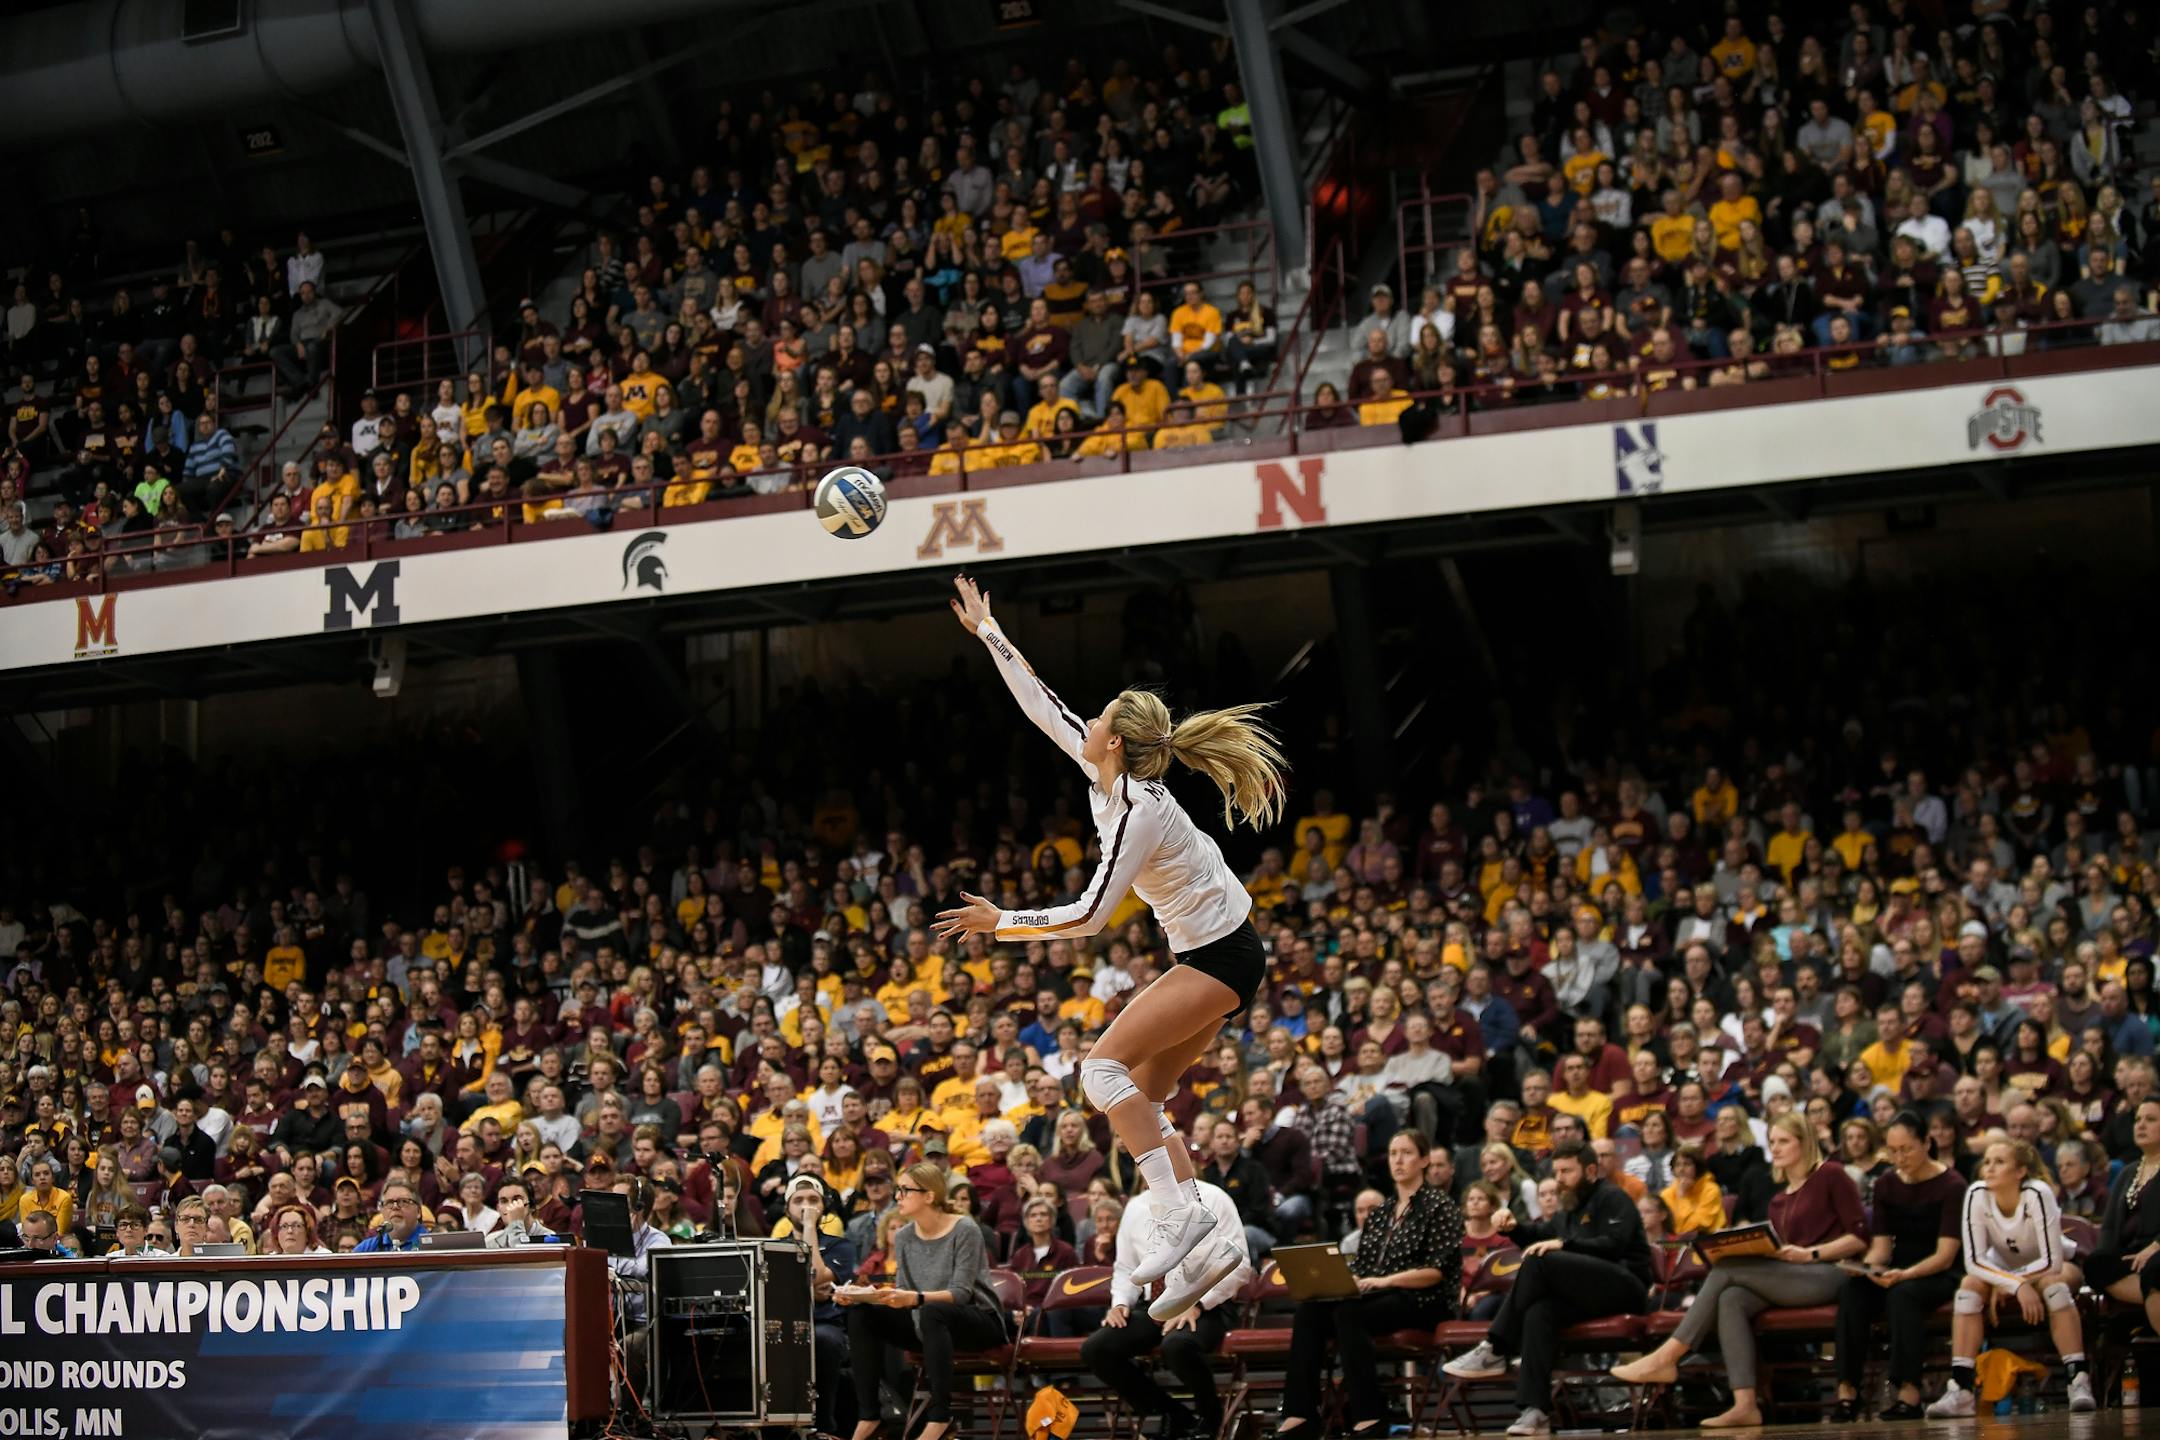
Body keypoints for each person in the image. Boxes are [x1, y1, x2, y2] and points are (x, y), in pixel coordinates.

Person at [936, 574, 1283, 1312]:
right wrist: (990, 632)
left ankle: (1180, 1213)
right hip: (1220, 954)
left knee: (1100, 1074)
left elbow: (1093, 915)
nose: (1085, 720)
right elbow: (1041, 704)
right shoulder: (1103, 771)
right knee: (1146, 1100)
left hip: (1220, 958)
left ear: (1117, 740)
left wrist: (1004, 923)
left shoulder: (1140, 809)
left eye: (1097, 718)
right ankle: (1213, 1244)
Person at [1610, 1112, 1868, 1425]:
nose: (1776, 1147)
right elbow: (1784, 1249)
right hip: (1790, 1277)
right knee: (1730, 1297)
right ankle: (1745, 1404)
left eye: (1784, 1141)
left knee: (1726, 1271)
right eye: (1772, 1141)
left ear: (1805, 1142)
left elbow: (1859, 1238)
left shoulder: (1831, 1174)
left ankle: (1667, 1357)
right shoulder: (1777, 1199)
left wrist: (1811, 1254)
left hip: (1831, 1272)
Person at [1443, 1138, 1652, 1437]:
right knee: (1540, 1312)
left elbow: (1614, 1244)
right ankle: (1535, 1411)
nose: (1560, 1180)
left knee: (1541, 1260)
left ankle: (1496, 1346)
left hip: (1626, 1287)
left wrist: (1564, 1244)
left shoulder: (1613, 1197)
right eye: (1557, 1172)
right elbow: (1539, 1234)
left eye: (1567, 1172)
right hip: (1587, 1294)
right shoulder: (1568, 1209)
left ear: (1591, 1170)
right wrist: (1513, 1228)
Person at [1279, 1130, 1462, 1437]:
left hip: (1426, 1300)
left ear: (1425, 1160)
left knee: (1349, 1312)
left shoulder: (1440, 1206)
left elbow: (1436, 1272)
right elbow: (1363, 1268)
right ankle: (1300, 1413)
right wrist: (1345, 1280)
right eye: (1393, 1153)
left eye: (1406, 1153)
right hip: (1377, 1296)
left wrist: (1382, 1281)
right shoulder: (1381, 1213)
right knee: (1310, 1311)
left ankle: (1370, 1415)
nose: (1398, 1160)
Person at [837, 1161, 1008, 1440]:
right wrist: (863, 1296)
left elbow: (961, 1293)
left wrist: (914, 1298)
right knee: (861, 1313)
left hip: (978, 1321)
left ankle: (941, 1418)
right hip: (928, 1322)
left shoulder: (965, 1229)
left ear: (929, 1196)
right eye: (898, 1190)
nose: (897, 1197)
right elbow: (903, 1291)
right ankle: (869, 1415)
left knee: (932, 1311)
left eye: (905, 1190)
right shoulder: (904, 1236)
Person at [1926, 1139, 2095, 1415]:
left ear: (2020, 1172)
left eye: (1999, 1162)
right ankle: (1962, 1389)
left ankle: (2078, 1380)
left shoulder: (2038, 1193)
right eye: (1987, 1162)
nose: (1989, 1168)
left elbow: (2052, 1260)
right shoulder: (1976, 1194)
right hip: (2006, 1273)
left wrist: (2011, 1284)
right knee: (1968, 1287)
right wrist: (2015, 1285)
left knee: (2055, 1286)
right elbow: (1974, 1262)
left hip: (2053, 1266)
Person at [1083, 1176, 1251, 1440]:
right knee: (1097, 1348)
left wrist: (1196, 1301)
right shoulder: (1136, 1206)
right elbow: (1126, 1267)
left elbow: (1239, 1264)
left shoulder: (1214, 1197)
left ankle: (1211, 1418)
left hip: (1209, 1304)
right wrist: (1120, 1303)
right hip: (1156, 1303)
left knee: (1177, 1345)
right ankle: (1173, 1414)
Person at [1831, 1111, 1964, 1420]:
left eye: (1907, 1149)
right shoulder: (1887, 1183)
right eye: (1892, 1151)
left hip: (1942, 1271)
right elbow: (1880, 1247)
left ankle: (1909, 1392)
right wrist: (1867, 1268)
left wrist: (1904, 1275)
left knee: (1903, 1295)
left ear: (1926, 1143)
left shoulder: (1952, 1185)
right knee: (1853, 1291)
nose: (1899, 1157)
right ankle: (1847, 1391)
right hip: (1899, 1267)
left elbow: (1945, 1254)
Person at [783, 1173, 860, 1437]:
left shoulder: (840, 1246)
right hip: (783, 1324)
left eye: (814, 1200)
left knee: (821, 1340)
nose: (806, 1207)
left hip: (825, 1322)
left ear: (824, 1207)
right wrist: (812, 1291)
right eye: (799, 1200)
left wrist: (808, 1228)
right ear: (786, 1208)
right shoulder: (773, 1247)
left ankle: (824, 1426)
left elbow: (814, 1275)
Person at [2082, 1097, 2160, 1344]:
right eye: (2138, 1120)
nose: (2141, 1125)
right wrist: (2107, 1251)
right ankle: (2152, 1295)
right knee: (2096, 1263)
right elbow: (2110, 1226)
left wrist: (2155, 1247)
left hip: (2158, 1251)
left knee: (2156, 1269)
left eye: (2151, 1120)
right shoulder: (2128, 1171)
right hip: (2131, 1257)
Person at [353, 1178, 429, 1252]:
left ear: (418, 1211)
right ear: (382, 1211)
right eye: (389, 1202)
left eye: (403, 1201)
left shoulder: (434, 1245)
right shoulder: (366, 1249)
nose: (395, 1207)